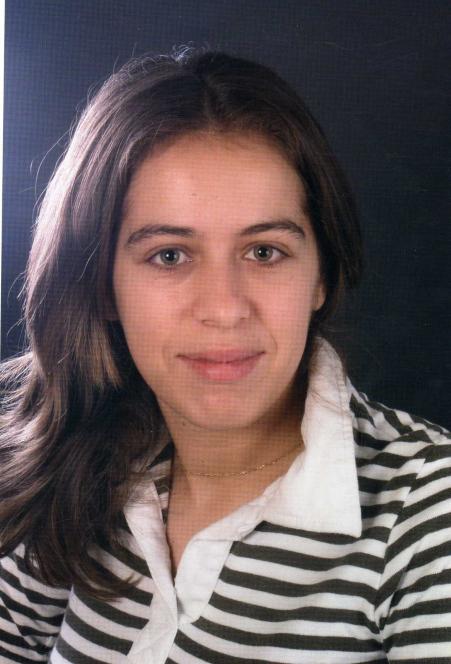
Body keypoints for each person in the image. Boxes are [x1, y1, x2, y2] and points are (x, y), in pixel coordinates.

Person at [0, 47, 450, 664]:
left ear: (320, 275)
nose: (224, 308)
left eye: (264, 252)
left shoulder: (429, 514)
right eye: (169, 255)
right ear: (101, 285)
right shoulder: (61, 470)